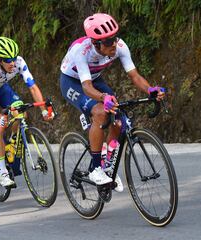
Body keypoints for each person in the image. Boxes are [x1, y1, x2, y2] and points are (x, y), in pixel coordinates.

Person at [59, 13, 165, 192]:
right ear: (95, 43)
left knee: (119, 120)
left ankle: (108, 164)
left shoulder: (120, 46)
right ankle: (95, 168)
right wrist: (103, 98)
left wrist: (150, 90)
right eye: (108, 42)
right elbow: (86, 87)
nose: (114, 44)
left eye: (114, 39)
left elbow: (135, 76)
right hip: (73, 82)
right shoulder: (81, 51)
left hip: (95, 79)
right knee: (100, 113)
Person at [0, 36, 54, 187]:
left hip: (2, 88)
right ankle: (2, 171)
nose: (12, 63)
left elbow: (33, 87)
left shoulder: (19, 63)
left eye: (14, 58)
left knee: (21, 111)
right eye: (7, 60)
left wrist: (44, 110)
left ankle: (11, 143)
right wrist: (0, 117)